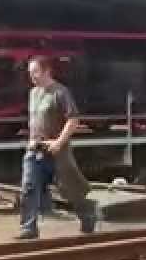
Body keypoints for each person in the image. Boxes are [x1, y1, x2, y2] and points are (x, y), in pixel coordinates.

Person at [16, 56, 96, 241]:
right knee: (29, 186)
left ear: (46, 71)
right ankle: (28, 227)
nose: (32, 77)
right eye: (30, 73)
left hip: (57, 149)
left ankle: (87, 215)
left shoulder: (60, 92)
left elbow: (73, 119)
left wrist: (59, 142)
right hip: (35, 149)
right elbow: (34, 120)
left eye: (35, 72)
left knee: (69, 188)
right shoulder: (33, 94)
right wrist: (31, 139)